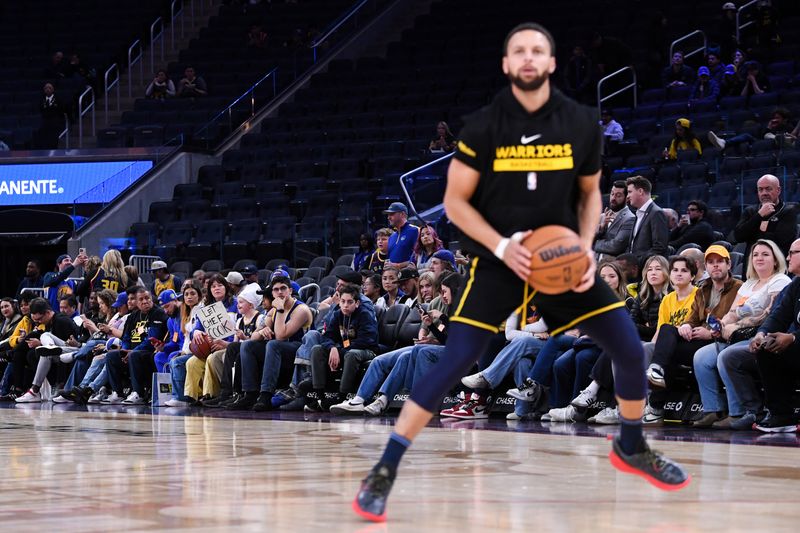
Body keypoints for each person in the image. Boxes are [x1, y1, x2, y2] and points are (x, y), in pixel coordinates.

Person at [353, 22, 690, 524]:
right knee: (454, 361)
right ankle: (384, 469)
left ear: (551, 63)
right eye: (518, 51)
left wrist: (581, 245)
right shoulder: (485, 126)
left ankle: (632, 444)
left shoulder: (578, 121)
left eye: (539, 50)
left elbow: (590, 193)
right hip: (500, 259)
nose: (529, 58)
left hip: (562, 257)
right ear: (508, 65)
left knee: (626, 344)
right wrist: (501, 245)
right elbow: (455, 202)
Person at [690, 239, 790, 428]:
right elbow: (733, 312)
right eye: (755, 255)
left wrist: (736, 327)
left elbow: (771, 314)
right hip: (737, 335)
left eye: (765, 254)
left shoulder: (780, 280)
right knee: (701, 357)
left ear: (776, 260)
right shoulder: (748, 284)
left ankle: (740, 412)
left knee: (725, 356)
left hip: (762, 335)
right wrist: (722, 324)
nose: (759, 258)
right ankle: (714, 409)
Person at [749, 239, 800, 432]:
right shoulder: (796, 285)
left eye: (792, 253)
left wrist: (793, 338)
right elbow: (778, 316)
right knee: (767, 349)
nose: (787, 258)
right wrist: (761, 334)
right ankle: (781, 417)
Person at [733, 174, 797, 271]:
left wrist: (753, 233)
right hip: (751, 269)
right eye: (760, 189)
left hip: (777, 268)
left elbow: (782, 240)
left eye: (768, 189)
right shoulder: (750, 211)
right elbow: (738, 236)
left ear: (778, 190)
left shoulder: (789, 211)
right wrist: (759, 216)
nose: (764, 193)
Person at [626, 176, 669, 265]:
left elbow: (659, 247)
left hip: (647, 268)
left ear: (640, 191)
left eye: (630, 192)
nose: (628, 196)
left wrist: (638, 263)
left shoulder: (656, 213)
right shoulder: (638, 213)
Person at [594, 180, 635, 260]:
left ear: (626, 199)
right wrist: (602, 228)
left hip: (613, 266)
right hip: (596, 263)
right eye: (612, 194)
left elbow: (615, 247)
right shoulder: (602, 216)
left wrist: (595, 244)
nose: (613, 198)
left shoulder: (630, 218)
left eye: (618, 195)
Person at [383, 203, 420, 270]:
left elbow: (420, 257)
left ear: (402, 214)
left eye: (392, 214)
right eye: (388, 215)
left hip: (409, 277)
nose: (388, 217)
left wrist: (398, 266)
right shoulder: (392, 237)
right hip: (393, 278)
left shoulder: (415, 231)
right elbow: (389, 260)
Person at [35, 82, 66, 149]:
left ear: (53, 89)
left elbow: (61, 109)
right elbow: (40, 109)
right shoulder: (42, 100)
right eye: (46, 88)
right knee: (45, 139)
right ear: (44, 90)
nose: (48, 89)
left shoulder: (58, 99)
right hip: (45, 122)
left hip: (55, 122)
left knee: (54, 140)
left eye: (49, 88)